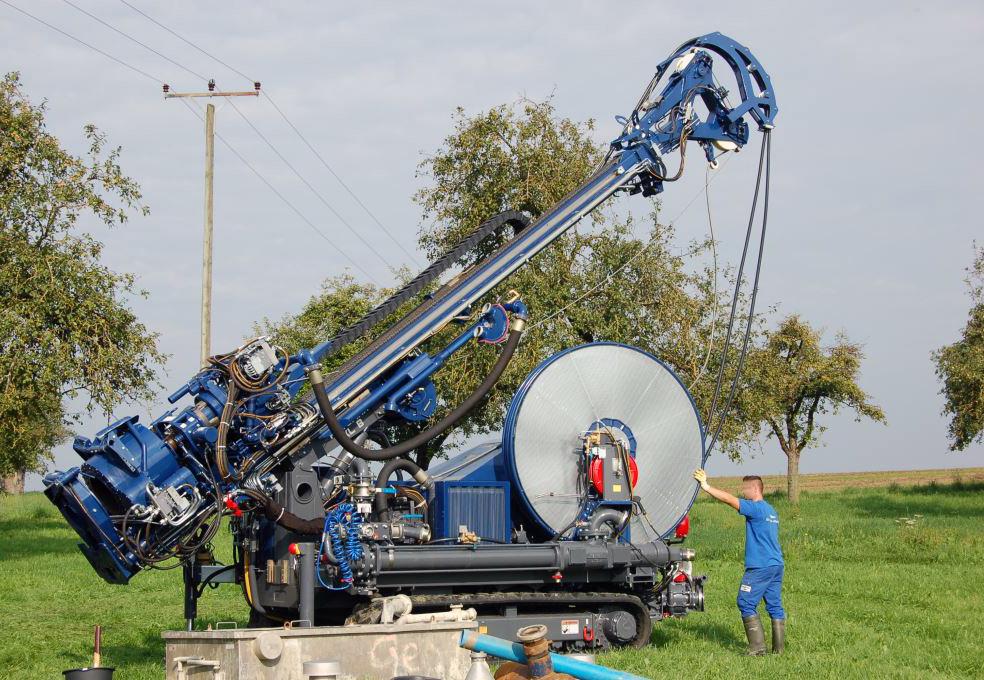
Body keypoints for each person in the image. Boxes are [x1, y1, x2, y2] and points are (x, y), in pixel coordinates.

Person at [693, 469, 785, 655]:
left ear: (754, 489)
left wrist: (706, 486)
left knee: (745, 602)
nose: (743, 492)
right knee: (774, 606)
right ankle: (779, 651)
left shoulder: (756, 508)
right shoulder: (771, 510)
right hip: (776, 565)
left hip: (759, 567)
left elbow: (729, 500)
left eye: (745, 489)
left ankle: (757, 649)